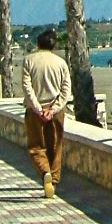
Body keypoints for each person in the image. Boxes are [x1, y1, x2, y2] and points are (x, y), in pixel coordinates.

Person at [21, 29, 72, 199]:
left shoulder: (29, 61)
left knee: (36, 146)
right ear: (53, 45)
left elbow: (27, 88)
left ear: (38, 44)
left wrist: (38, 108)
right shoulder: (61, 63)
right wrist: (54, 109)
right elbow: (66, 91)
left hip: (35, 111)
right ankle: (54, 181)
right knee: (56, 146)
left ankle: (45, 173)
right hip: (55, 112)